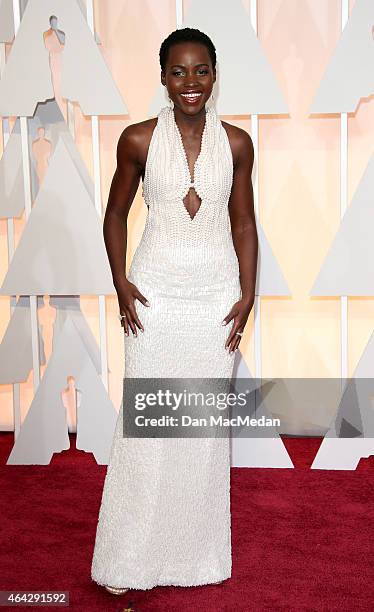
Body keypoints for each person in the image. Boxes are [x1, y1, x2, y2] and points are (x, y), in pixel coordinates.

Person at [91, 27, 258, 595]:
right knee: (148, 428)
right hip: (154, 298)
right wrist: (120, 281)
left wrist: (248, 292)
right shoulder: (136, 139)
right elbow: (114, 214)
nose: (191, 82)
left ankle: (193, 556)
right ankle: (129, 558)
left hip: (214, 298)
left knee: (202, 432)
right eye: (179, 71)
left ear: (215, 75)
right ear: (163, 77)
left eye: (202, 71)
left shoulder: (237, 143)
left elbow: (243, 222)